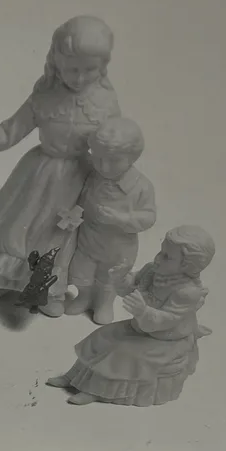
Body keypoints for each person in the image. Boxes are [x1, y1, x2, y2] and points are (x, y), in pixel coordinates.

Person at [0, 16, 121, 316]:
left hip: (77, 180)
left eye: (89, 70)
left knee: (58, 235)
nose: (80, 78)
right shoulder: (45, 95)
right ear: (56, 61)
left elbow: (116, 141)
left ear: (103, 67)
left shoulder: (105, 101)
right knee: (15, 228)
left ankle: (51, 290)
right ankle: (2, 278)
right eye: (72, 69)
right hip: (37, 175)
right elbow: (8, 132)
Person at [47, 225, 215, 406]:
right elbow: (131, 288)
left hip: (165, 340)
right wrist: (120, 278)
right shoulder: (152, 271)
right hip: (140, 328)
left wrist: (143, 312)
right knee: (101, 336)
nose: (158, 258)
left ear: (187, 266)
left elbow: (168, 320)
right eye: (161, 251)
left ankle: (95, 390)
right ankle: (73, 376)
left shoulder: (187, 292)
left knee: (121, 352)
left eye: (167, 257)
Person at [64, 117, 156, 324]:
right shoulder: (94, 177)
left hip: (118, 247)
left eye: (113, 161)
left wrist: (120, 219)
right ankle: (83, 298)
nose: (104, 166)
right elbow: (82, 197)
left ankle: (103, 305)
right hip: (88, 239)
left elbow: (149, 216)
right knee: (82, 272)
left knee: (109, 279)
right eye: (98, 158)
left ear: (132, 157)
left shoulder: (141, 187)